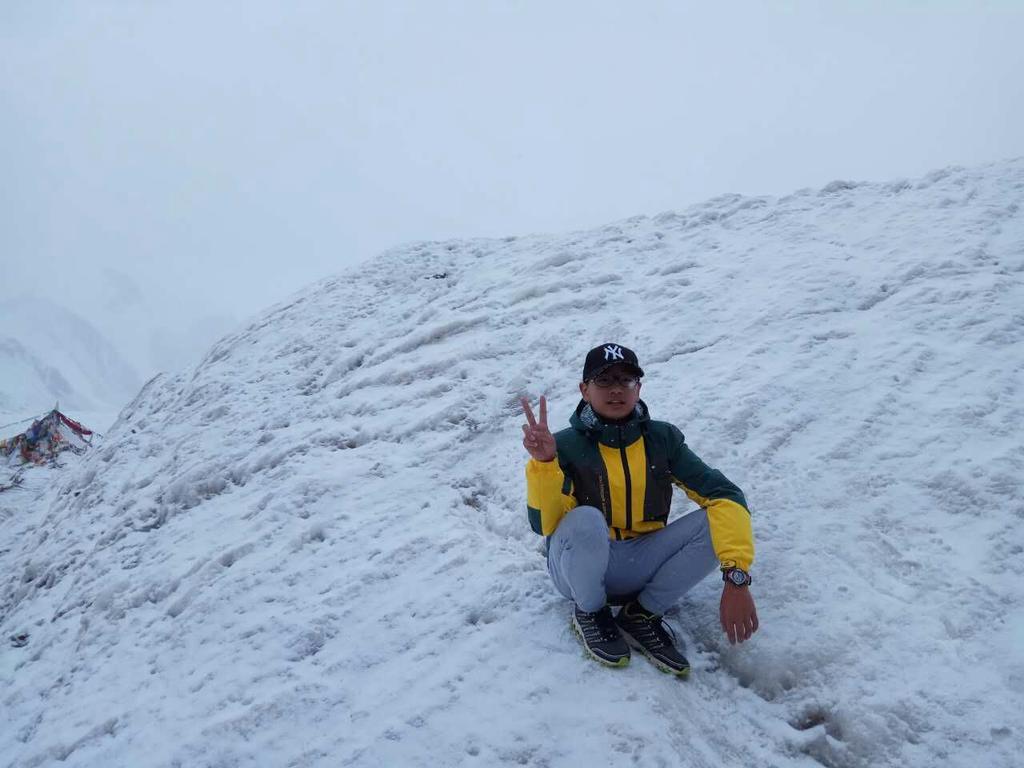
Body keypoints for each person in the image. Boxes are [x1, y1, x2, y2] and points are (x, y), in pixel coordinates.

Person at [520, 343, 758, 675]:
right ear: (584, 390)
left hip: (640, 561)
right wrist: (545, 463)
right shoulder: (564, 445)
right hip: (578, 569)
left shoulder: (662, 440)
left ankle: (640, 615)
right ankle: (590, 612)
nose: (616, 389)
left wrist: (737, 578)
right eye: (604, 381)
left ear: (639, 389)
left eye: (626, 380)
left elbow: (726, 496)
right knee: (586, 519)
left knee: (717, 519)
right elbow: (544, 524)